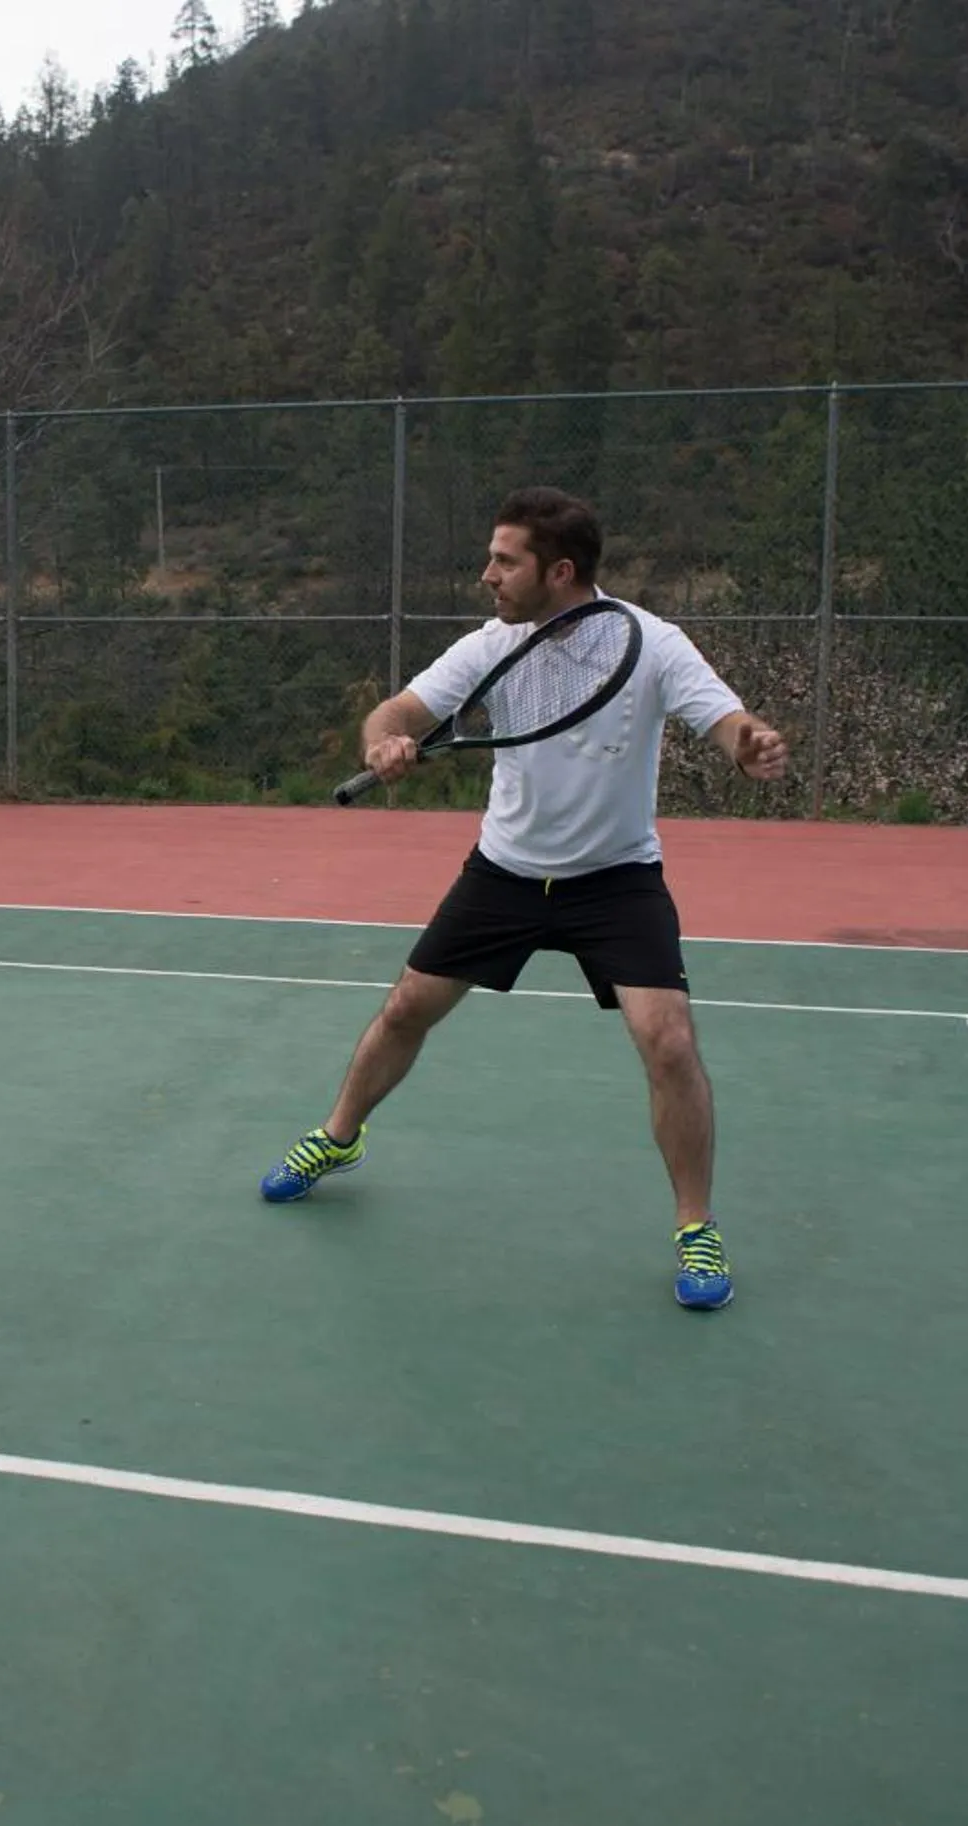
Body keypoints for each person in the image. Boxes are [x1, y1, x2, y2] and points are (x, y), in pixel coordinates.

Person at [258, 486, 789, 1311]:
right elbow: (398, 709)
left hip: (615, 880)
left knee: (669, 1042)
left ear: (560, 571)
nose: (487, 575)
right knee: (405, 1009)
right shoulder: (491, 643)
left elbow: (725, 720)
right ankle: (338, 1137)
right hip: (505, 873)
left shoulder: (650, 643)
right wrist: (384, 740)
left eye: (505, 561)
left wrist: (747, 744)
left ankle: (696, 1226)